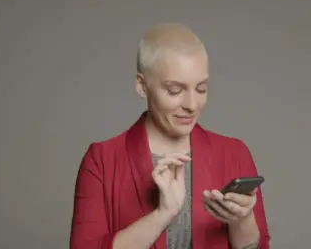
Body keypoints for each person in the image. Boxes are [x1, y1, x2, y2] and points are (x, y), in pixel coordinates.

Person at [69, 23, 270, 249]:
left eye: (201, 89)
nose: (192, 105)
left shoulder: (234, 153)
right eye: (175, 91)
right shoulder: (101, 160)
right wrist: (162, 214)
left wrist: (241, 219)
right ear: (142, 86)